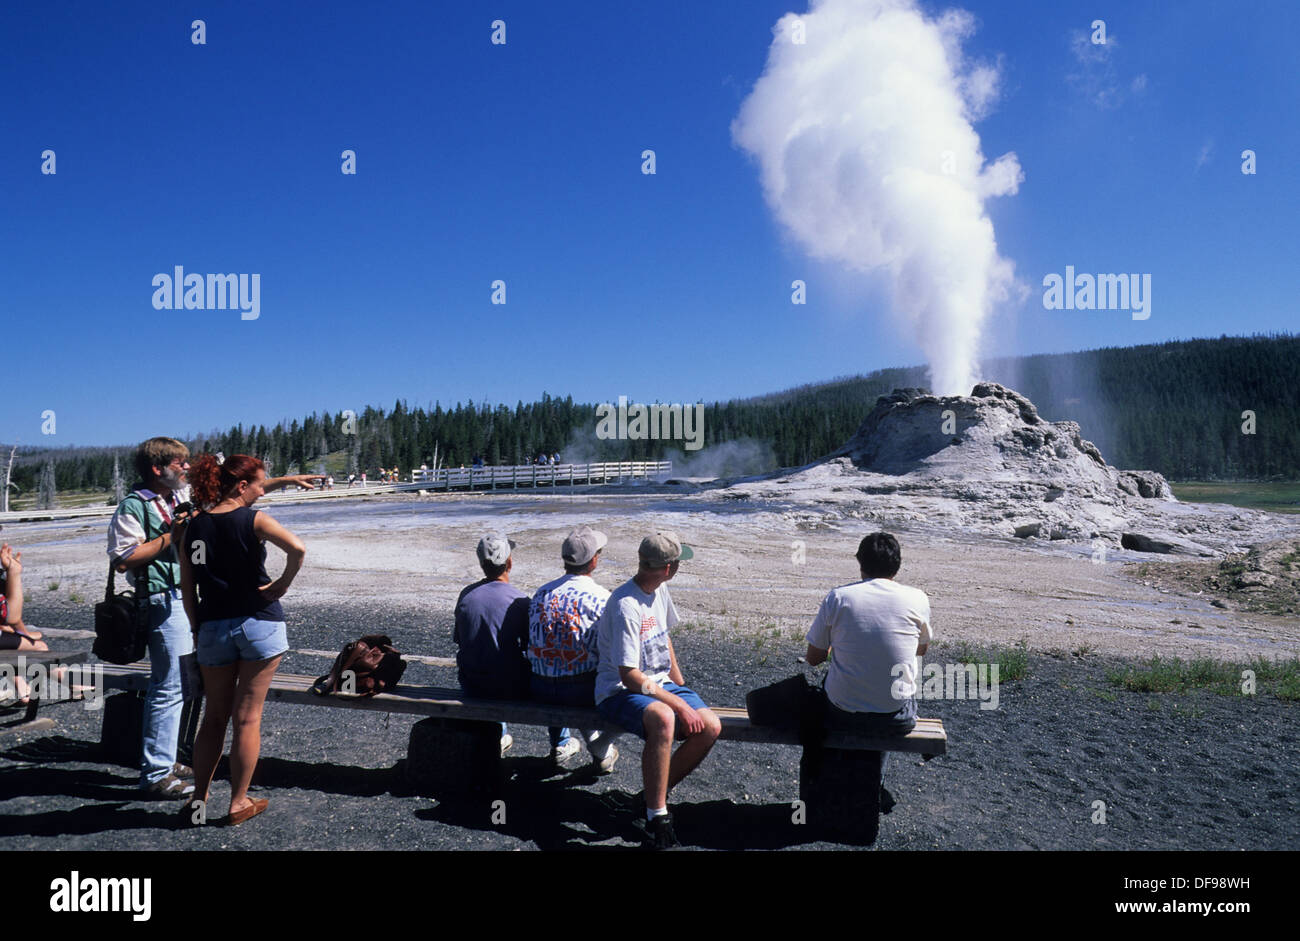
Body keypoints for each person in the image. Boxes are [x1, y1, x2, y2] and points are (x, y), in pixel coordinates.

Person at [107, 438, 320, 801]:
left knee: (199, 698)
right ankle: (161, 773)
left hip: (195, 607)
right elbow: (124, 558)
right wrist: (173, 537)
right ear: (158, 468)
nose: (187, 469)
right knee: (173, 686)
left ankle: (184, 775)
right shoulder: (134, 506)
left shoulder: (182, 500)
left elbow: (239, 491)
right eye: (179, 463)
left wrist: (285, 481)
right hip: (162, 599)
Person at [178, 454, 309, 826]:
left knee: (213, 718)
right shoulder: (254, 519)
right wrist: (281, 585)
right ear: (241, 486)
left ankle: (198, 801)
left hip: (212, 627)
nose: (261, 490)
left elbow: (188, 588)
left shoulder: (193, 527)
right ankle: (237, 803)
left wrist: (195, 626)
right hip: (258, 623)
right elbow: (298, 549)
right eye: (258, 485)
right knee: (247, 719)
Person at [595, 531, 720, 849]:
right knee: (664, 718)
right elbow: (629, 674)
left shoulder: (659, 590)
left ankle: (648, 800)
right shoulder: (626, 604)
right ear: (669, 568)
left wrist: (681, 688)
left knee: (711, 727)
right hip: (618, 691)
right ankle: (657, 818)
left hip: (659, 684)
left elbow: (664, 638)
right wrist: (677, 705)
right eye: (678, 562)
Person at [804, 532, 932, 813]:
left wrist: (837, 648)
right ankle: (872, 784)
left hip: (841, 714)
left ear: (860, 563)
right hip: (894, 719)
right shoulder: (918, 598)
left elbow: (813, 659)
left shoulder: (839, 597)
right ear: (897, 568)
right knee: (891, 689)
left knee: (838, 687)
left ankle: (836, 781)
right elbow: (919, 652)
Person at [527, 526, 618, 771]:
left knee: (557, 664)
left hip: (540, 687)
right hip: (581, 691)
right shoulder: (601, 598)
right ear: (594, 560)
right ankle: (602, 750)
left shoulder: (541, 593)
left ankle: (562, 743)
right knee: (596, 672)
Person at [453, 532, 530, 757]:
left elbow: (461, 640)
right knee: (547, 675)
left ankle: (499, 732)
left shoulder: (466, 596)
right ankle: (561, 743)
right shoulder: (520, 600)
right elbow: (531, 647)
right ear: (509, 563)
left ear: (481, 564)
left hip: (472, 683)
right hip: (510, 686)